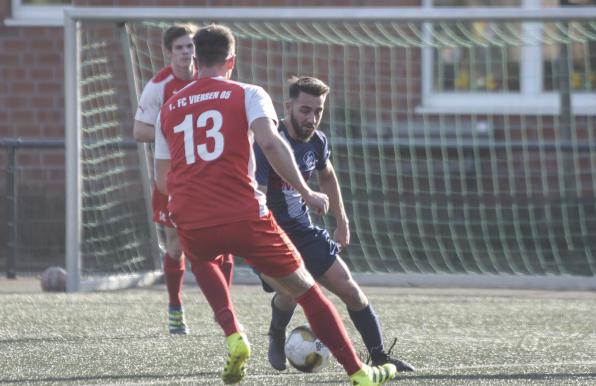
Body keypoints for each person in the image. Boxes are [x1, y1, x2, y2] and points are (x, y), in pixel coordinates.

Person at [154, 24, 397, 386]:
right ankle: (359, 373)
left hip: (192, 215)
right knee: (308, 292)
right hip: (244, 214)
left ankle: (234, 333)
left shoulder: (169, 106)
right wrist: (306, 190)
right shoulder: (249, 93)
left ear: (196, 59)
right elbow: (269, 143)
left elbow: (161, 177)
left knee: (200, 256)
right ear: (231, 61)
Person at [254, 76, 415, 373]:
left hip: (304, 232)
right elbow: (259, 198)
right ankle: (276, 334)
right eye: (305, 110)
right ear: (287, 106)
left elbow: (327, 175)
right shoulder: (270, 143)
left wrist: (342, 220)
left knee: (350, 290)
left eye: (318, 111)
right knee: (291, 291)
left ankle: (379, 357)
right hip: (270, 235)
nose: (311, 118)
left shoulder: (317, 141)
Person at [133, 23, 234, 335]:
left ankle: (225, 309)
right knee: (177, 243)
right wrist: (176, 132)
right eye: (179, 47)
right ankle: (175, 307)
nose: (186, 52)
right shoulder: (159, 86)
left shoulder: (211, 78)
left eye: (190, 46)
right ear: (169, 52)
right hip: (174, 175)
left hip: (212, 173)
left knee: (227, 239)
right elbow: (139, 130)